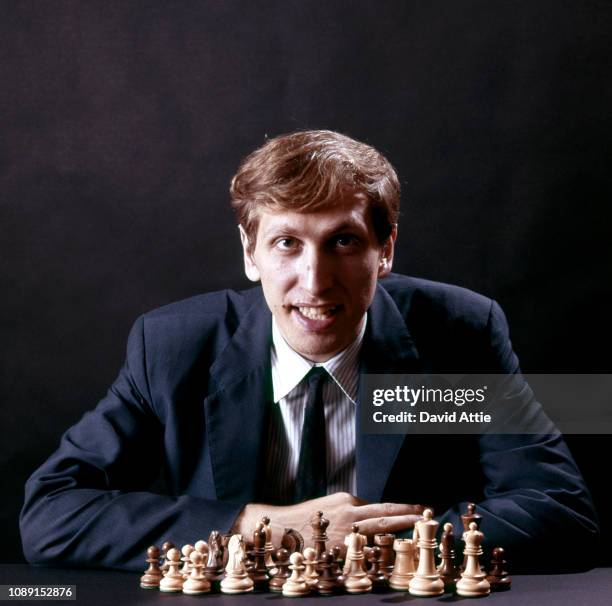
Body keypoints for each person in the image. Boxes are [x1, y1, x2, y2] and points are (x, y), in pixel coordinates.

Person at [20, 130, 598, 572]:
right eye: (286, 243)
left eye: (343, 242)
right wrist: (262, 528)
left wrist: (370, 544)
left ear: (385, 250)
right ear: (251, 254)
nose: (315, 281)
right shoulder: (172, 346)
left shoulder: (459, 334)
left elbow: (561, 511)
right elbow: (51, 516)